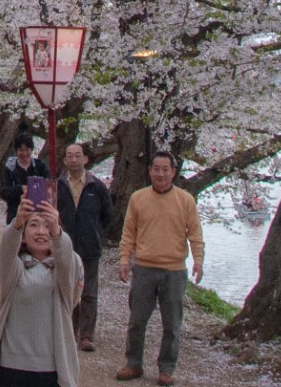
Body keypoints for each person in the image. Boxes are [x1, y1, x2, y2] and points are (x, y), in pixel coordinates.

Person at [115, 152, 203, 386]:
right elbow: (128, 233)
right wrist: (124, 260)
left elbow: (195, 235)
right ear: (150, 170)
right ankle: (133, 363)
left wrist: (198, 260)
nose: (161, 174)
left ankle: (166, 368)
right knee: (136, 321)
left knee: (172, 323)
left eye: (166, 169)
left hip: (174, 270)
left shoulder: (186, 200)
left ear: (173, 171)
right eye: (157, 169)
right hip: (144, 268)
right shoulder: (138, 198)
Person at [0, 197, 81, 387]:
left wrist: (57, 231)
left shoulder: (65, 268)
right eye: (34, 225)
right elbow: (6, 249)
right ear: (24, 234)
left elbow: (66, 258)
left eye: (46, 226)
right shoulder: (14, 268)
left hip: (51, 367)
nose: (40, 232)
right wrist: (18, 222)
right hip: (12, 366)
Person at [56, 141, 113, 351]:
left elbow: (107, 215)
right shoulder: (58, 185)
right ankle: (71, 330)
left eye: (77, 155)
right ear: (65, 160)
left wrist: (96, 232)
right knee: (67, 289)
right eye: (69, 156)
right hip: (65, 246)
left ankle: (87, 334)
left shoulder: (96, 186)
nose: (74, 159)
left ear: (85, 159)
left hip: (90, 247)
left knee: (89, 291)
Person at [0, 138, 49, 223]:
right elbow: (3, 192)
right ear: (16, 151)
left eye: (27, 150)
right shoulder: (9, 169)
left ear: (31, 150)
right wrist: (20, 189)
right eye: (21, 150)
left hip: (37, 213)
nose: (24, 153)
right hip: (15, 213)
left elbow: (49, 185)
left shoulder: (40, 166)